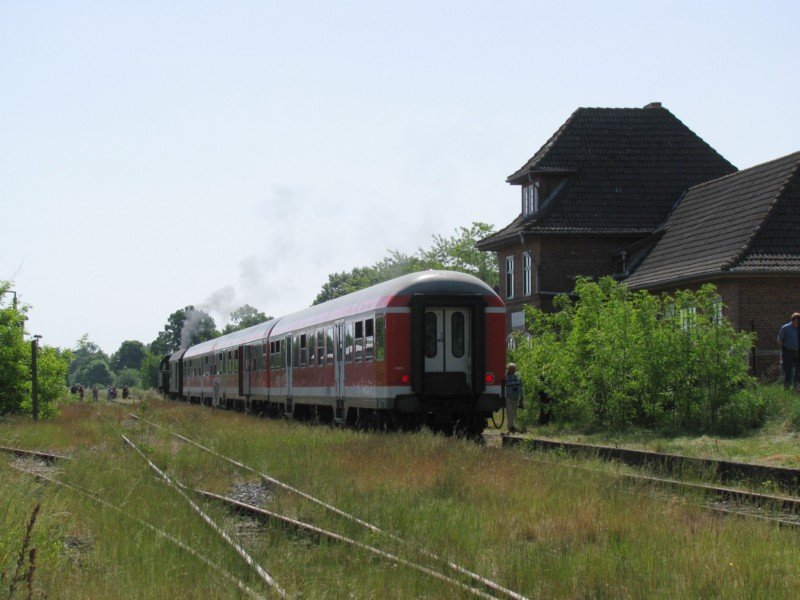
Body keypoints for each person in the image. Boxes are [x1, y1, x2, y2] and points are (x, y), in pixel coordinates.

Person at [778, 313, 800, 389]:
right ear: (794, 320)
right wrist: (783, 351)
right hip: (788, 352)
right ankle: (787, 387)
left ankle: (796, 388)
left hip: (798, 352)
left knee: (798, 371)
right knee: (788, 371)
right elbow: (780, 340)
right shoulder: (785, 328)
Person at [504, 363, 523, 434]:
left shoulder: (518, 375)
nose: (513, 370)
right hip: (508, 397)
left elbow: (520, 386)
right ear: (508, 369)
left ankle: (511, 427)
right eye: (511, 369)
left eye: (514, 369)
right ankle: (511, 427)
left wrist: (521, 396)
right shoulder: (505, 376)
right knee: (510, 413)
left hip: (516, 397)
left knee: (514, 413)